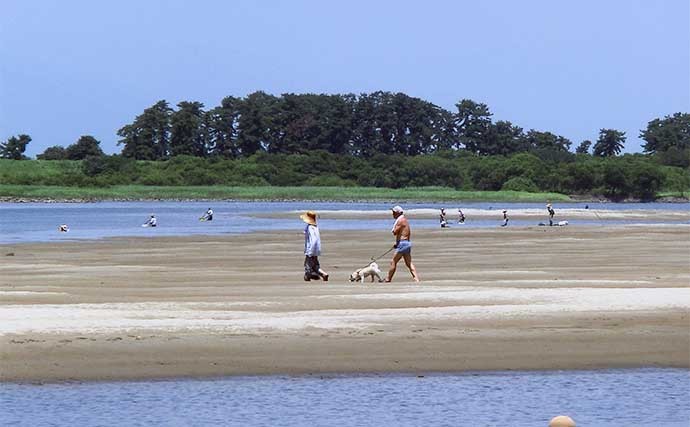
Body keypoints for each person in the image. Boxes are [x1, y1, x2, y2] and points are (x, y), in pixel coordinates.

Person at [385, 205, 420, 282]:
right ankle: (416, 279)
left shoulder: (400, 220)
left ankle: (388, 279)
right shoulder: (404, 220)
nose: (393, 214)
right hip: (407, 243)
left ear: (397, 213)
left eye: (394, 212)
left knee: (393, 261)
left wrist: (399, 243)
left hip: (403, 244)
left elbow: (395, 232)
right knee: (409, 263)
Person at [301, 210, 329, 282]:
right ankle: (323, 274)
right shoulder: (315, 227)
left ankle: (308, 278)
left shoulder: (310, 227)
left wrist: (310, 251)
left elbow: (313, 240)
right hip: (316, 249)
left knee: (308, 265)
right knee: (315, 265)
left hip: (311, 249)